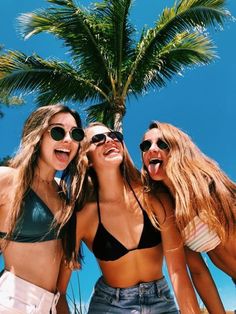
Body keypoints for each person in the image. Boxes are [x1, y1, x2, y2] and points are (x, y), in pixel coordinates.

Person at [58, 122, 202, 313]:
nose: (110, 140)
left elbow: (178, 272)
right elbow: (59, 291)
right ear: (87, 158)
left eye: (114, 135)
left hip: (161, 300)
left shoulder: (154, 198)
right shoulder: (84, 217)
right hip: (110, 305)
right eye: (98, 139)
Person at [140, 120, 236, 312]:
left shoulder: (210, 186)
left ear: (177, 147)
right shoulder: (170, 211)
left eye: (162, 143)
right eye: (145, 145)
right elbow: (199, 272)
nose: (152, 149)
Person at [0, 104, 85, 313]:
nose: (68, 139)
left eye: (76, 133)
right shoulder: (7, 179)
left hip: (51, 305)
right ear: (38, 135)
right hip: (12, 302)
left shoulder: (65, 191)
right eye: (58, 131)